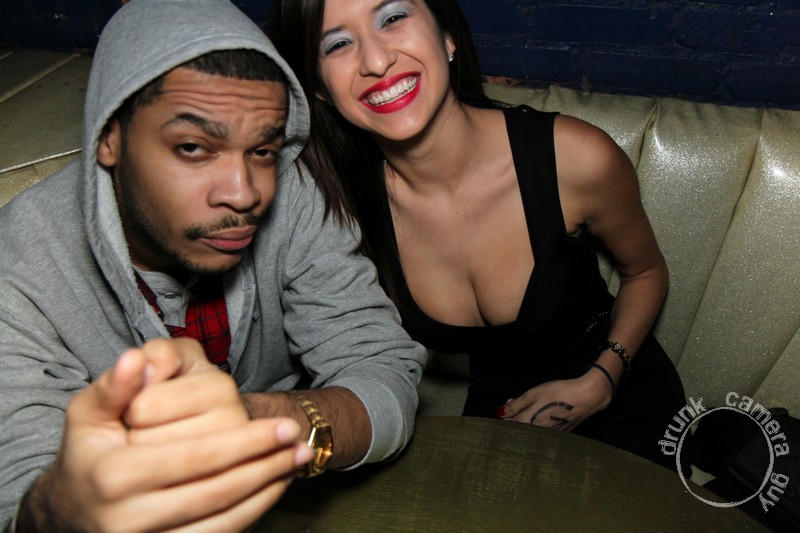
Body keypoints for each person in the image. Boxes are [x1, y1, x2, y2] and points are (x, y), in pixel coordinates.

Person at [0, 1, 427, 531]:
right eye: (193, 147)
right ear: (108, 137)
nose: (244, 193)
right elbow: (18, 493)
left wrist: (268, 424)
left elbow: (384, 373)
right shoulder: (20, 266)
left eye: (263, 150)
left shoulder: (292, 193)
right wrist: (67, 508)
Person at [269, 0, 690, 472]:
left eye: (392, 18)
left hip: (620, 397)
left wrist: (602, 379)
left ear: (447, 36)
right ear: (320, 88)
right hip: (503, 417)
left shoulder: (573, 157)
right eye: (338, 44)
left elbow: (646, 273)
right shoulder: (337, 209)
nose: (376, 60)